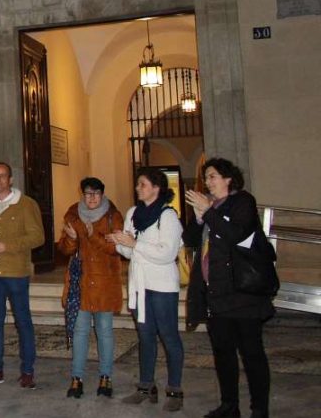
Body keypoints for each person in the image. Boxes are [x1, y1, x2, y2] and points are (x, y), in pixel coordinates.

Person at [185, 158, 273, 418]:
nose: (208, 182)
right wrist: (200, 219)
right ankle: (229, 405)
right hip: (216, 293)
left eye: (212, 177)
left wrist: (210, 212)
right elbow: (189, 239)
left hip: (243, 293)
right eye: (206, 178)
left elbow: (236, 234)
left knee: (252, 353)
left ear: (228, 179)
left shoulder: (243, 202)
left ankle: (259, 409)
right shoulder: (208, 207)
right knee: (223, 353)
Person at [111, 168, 185, 411]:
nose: (137, 188)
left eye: (142, 184)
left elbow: (167, 253)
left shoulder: (168, 216)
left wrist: (135, 243)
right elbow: (131, 253)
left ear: (156, 187)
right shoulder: (133, 213)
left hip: (162, 285)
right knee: (144, 337)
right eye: (138, 184)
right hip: (139, 285)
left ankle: (174, 390)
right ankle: (146, 386)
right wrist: (121, 242)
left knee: (169, 336)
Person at [0, 162, 45, 389]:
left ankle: (27, 370)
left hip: (16, 272)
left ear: (11, 180)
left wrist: (7, 246)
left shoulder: (26, 205)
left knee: (23, 321)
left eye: (2, 176)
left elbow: (37, 237)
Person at [57, 177, 124, 399]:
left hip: (104, 282)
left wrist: (92, 234)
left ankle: (106, 377)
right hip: (82, 283)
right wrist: (72, 238)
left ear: (102, 195)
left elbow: (116, 248)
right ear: (82, 195)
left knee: (104, 331)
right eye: (87, 193)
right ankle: (77, 378)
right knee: (80, 331)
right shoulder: (73, 215)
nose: (92, 198)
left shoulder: (113, 216)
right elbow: (64, 249)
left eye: (96, 193)